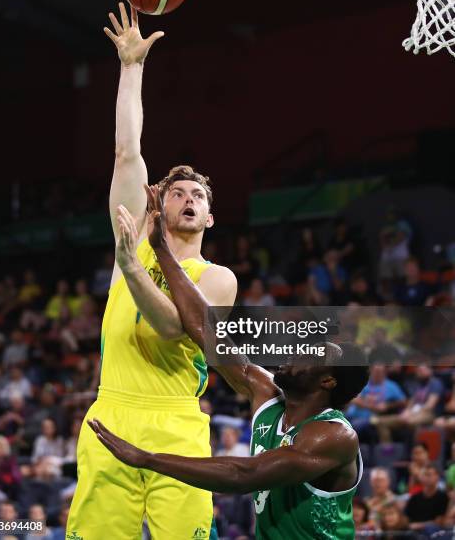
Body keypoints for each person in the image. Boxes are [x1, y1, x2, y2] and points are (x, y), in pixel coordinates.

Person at [88, 191, 369, 539]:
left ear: (327, 382)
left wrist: (147, 459)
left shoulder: (334, 435)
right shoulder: (265, 391)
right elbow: (206, 331)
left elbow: (243, 474)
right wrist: (161, 249)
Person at [67, 3, 237, 540]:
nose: (188, 199)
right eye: (178, 192)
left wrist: (128, 269)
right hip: (110, 411)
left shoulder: (217, 277)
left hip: (177, 423)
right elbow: (126, 154)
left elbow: (171, 326)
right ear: (156, 207)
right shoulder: (134, 237)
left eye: (198, 196)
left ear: (209, 216)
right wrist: (131, 67)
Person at [404, 464, 448, 536]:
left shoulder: (443, 497)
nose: (426, 478)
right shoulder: (414, 498)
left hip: (434, 534)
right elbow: (406, 519)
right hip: (414, 534)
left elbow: (439, 522)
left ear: (437, 476)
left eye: (429, 475)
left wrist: (418, 525)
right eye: (424, 475)